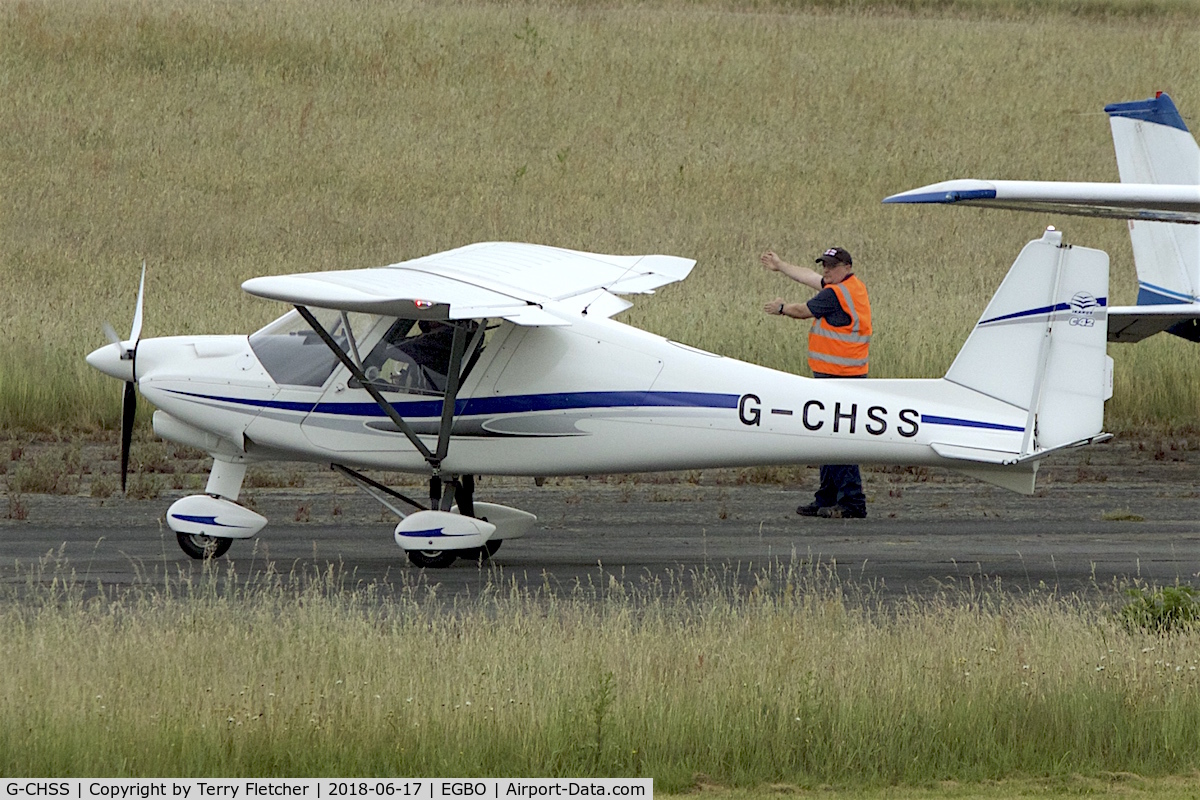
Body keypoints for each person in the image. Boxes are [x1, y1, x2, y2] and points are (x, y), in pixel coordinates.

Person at [760, 245, 871, 519]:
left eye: (832, 266)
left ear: (846, 267)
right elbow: (809, 277)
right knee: (827, 438)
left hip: (840, 377)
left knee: (838, 440)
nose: (826, 270)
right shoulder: (852, 287)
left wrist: (782, 308)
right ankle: (827, 498)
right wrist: (781, 265)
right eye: (825, 265)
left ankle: (852, 503)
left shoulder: (835, 294)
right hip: (843, 375)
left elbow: (803, 310)